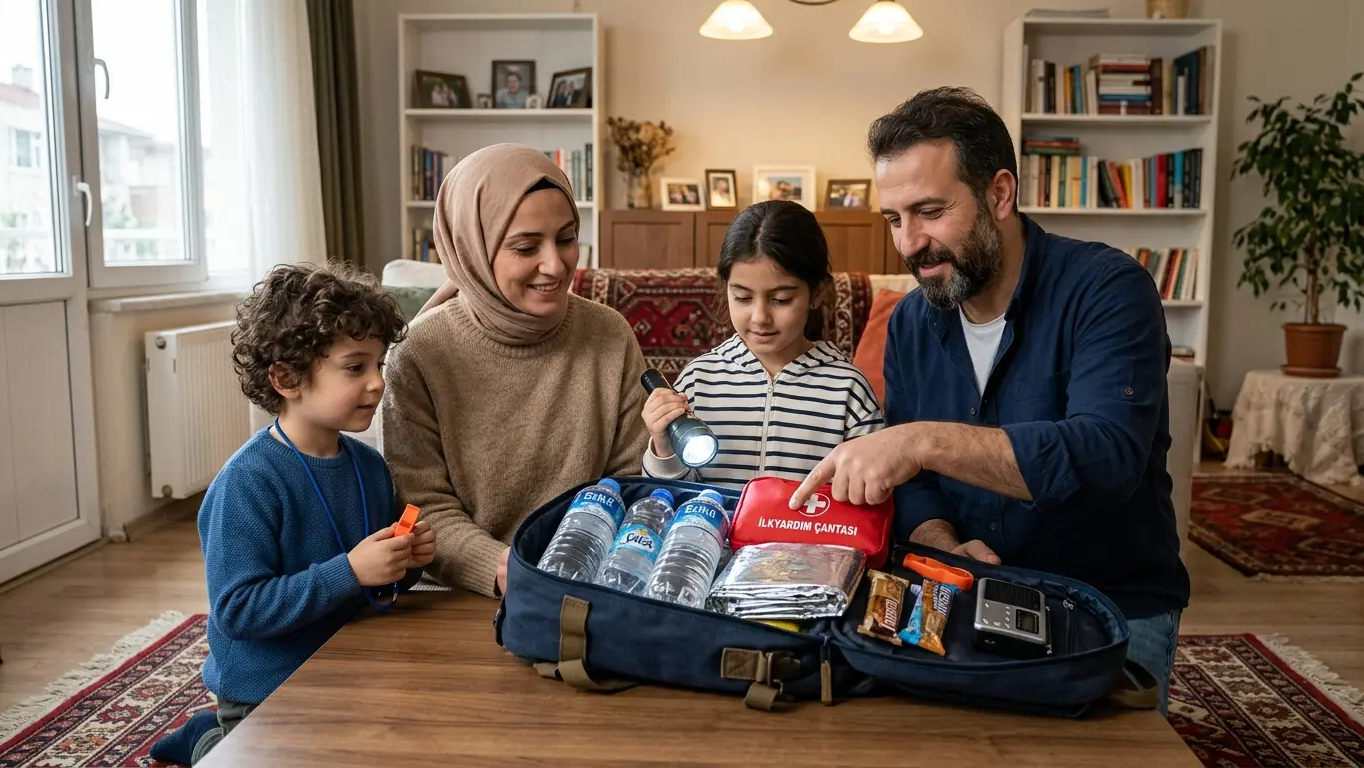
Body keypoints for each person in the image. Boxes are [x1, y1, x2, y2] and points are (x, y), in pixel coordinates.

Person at [789, 86, 1190, 714]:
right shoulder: (912, 323)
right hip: (963, 592)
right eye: (894, 219)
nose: (909, 244)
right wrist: (942, 543)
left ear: (999, 194)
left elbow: (1108, 456)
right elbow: (916, 486)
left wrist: (920, 441)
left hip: (1105, 605)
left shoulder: (1109, 289)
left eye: (929, 211)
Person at [150, 262, 434, 765]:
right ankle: (211, 738)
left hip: (347, 674)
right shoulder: (248, 483)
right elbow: (238, 611)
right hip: (266, 691)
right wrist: (349, 570)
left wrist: (405, 563)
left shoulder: (368, 467)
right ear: (286, 377)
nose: (377, 384)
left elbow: (376, 585)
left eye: (379, 365)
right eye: (355, 367)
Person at [381, 143, 649, 598]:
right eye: (526, 246)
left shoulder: (609, 334)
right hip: (456, 595)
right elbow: (421, 504)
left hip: (588, 582)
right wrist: (504, 568)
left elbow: (631, 481)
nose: (555, 264)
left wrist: (579, 564)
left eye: (566, 238)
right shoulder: (419, 354)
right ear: (473, 249)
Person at [643, 200, 883, 490]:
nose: (760, 318)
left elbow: (871, 495)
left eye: (780, 300)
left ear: (818, 293)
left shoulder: (848, 390)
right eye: (743, 298)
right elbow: (669, 497)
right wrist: (662, 448)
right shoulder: (699, 381)